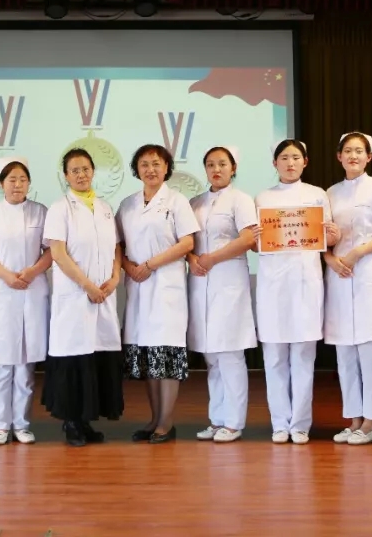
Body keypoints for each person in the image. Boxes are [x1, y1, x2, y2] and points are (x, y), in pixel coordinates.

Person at [254, 139, 338, 445]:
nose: (290, 163)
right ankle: (279, 423)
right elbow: (256, 243)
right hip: (272, 284)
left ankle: (300, 424)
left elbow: (328, 240)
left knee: (303, 357)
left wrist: (332, 235)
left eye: (295, 158)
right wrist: (256, 238)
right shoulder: (263, 197)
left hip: (305, 282)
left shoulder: (317, 195)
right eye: (284, 158)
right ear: (274, 163)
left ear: (305, 162)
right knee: (274, 357)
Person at [323, 132, 372, 446]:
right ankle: (353, 419)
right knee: (344, 354)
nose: (353, 156)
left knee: (369, 354)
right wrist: (330, 259)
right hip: (340, 274)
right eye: (348, 151)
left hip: (369, 270)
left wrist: (358, 252)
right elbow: (321, 237)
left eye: (359, 151)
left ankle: (370, 422)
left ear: (369, 157)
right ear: (339, 156)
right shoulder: (330, 193)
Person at [41, 148, 124, 447]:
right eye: (74, 170)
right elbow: (58, 253)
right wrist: (87, 286)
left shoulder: (104, 207)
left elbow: (116, 247)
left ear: (93, 171)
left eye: (85, 169)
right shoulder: (59, 208)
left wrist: (115, 277)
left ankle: (86, 420)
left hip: (103, 294)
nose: (81, 174)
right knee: (74, 359)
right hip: (75, 296)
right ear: (65, 176)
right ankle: (71, 422)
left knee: (96, 357)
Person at [117, 144, 199, 444]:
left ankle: (166, 422)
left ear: (167, 168)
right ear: (136, 169)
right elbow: (118, 244)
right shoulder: (127, 204)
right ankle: (153, 420)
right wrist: (129, 267)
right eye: (144, 164)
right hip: (138, 287)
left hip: (166, 287)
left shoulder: (177, 201)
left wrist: (150, 265)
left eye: (156, 163)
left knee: (166, 355)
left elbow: (187, 243)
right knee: (148, 356)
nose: (150, 169)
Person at [0, 157, 52, 446]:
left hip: (32, 289)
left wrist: (32, 271)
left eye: (22, 179)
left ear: (29, 183)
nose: (17, 184)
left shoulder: (40, 211)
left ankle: (21, 424)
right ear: (1, 184)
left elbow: (51, 250)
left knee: (25, 366)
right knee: (0, 363)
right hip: (0, 291)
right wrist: (7, 275)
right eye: (11, 179)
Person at [187, 146, 257, 443]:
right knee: (211, 354)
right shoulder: (195, 202)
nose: (216, 169)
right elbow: (185, 240)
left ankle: (234, 421)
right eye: (210, 164)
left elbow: (248, 238)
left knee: (230, 353)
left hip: (229, 278)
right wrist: (192, 259)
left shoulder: (241, 200)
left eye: (222, 164)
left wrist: (212, 258)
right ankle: (217, 419)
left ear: (233, 168)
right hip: (200, 280)